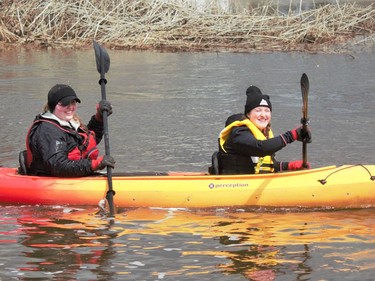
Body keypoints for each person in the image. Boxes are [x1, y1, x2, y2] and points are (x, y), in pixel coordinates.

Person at [20, 84, 115, 177]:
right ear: (53, 105)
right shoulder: (48, 131)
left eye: (73, 103)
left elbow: (86, 142)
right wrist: (95, 164)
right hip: (50, 180)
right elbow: (59, 166)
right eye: (65, 104)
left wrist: (99, 118)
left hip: (72, 175)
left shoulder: (68, 122)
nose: (70, 107)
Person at [213, 85, 311, 175]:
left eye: (267, 111)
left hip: (252, 182)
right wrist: (292, 135)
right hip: (235, 185)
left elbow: (266, 166)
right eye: (258, 110)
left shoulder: (264, 133)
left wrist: (290, 166)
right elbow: (260, 148)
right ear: (248, 114)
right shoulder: (239, 133)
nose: (263, 115)